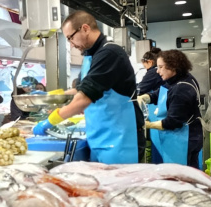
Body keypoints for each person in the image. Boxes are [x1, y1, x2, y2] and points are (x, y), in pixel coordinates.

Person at [34, 11, 144, 164]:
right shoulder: (90, 56)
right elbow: (80, 89)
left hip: (121, 139)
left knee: (117, 186)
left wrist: (50, 121)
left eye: (70, 38)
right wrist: (49, 97)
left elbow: (83, 98)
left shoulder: (110, 53)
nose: (71, 44)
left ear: (85, 28)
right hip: (99, 137)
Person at [139, 50, 204, 169]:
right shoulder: (178, 79)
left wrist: (146, 125)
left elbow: (172, 122)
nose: (157, 71)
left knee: (183, 174)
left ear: (173, 66)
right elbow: (159, 94)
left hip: (185, 138)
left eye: (160, 67)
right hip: (188, 134)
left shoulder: (181, 88)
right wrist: (144, 98)